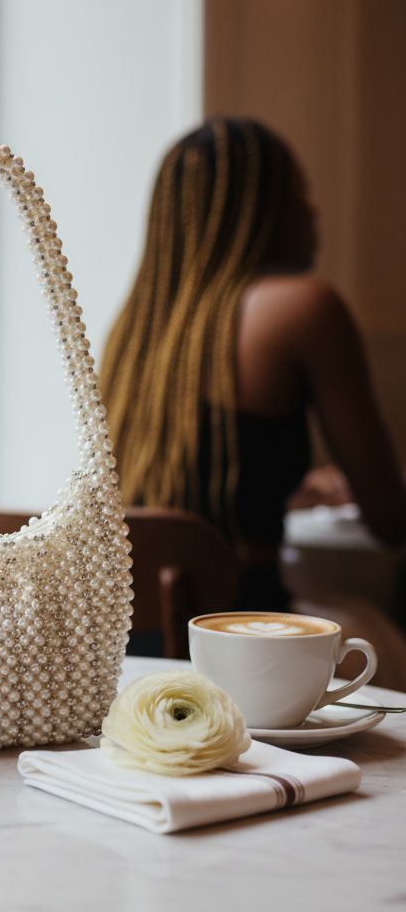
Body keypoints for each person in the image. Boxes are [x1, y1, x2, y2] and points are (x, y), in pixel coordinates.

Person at [99, 116, 406, 613]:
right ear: (258, 211)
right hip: (238, 629)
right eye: (301, 194)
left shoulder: (136, 331)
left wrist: (292, 489)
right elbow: (390, 519)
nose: (314, 211)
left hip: (129, 629)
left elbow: (190, 487)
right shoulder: (305, 307)